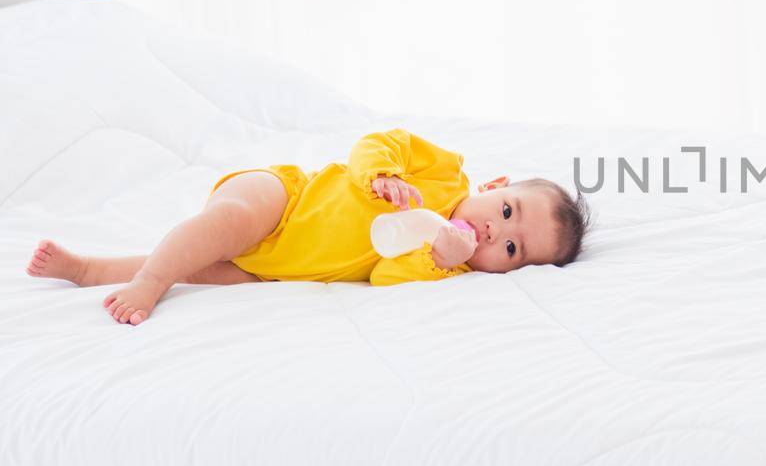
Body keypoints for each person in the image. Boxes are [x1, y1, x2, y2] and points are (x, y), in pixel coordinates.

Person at [25, 127, 591, 325]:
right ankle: (150, 281)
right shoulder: (444, 175)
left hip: (274, 268)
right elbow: (379, 141)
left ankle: (90, 269)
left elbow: (385, 280)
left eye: (513, 249)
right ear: (494, 188)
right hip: (285, 199)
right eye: (508, 213)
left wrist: (438, 257)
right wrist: (383, 175)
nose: (495, 233)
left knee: (217, 273)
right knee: (232, 222)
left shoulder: (438, 268)